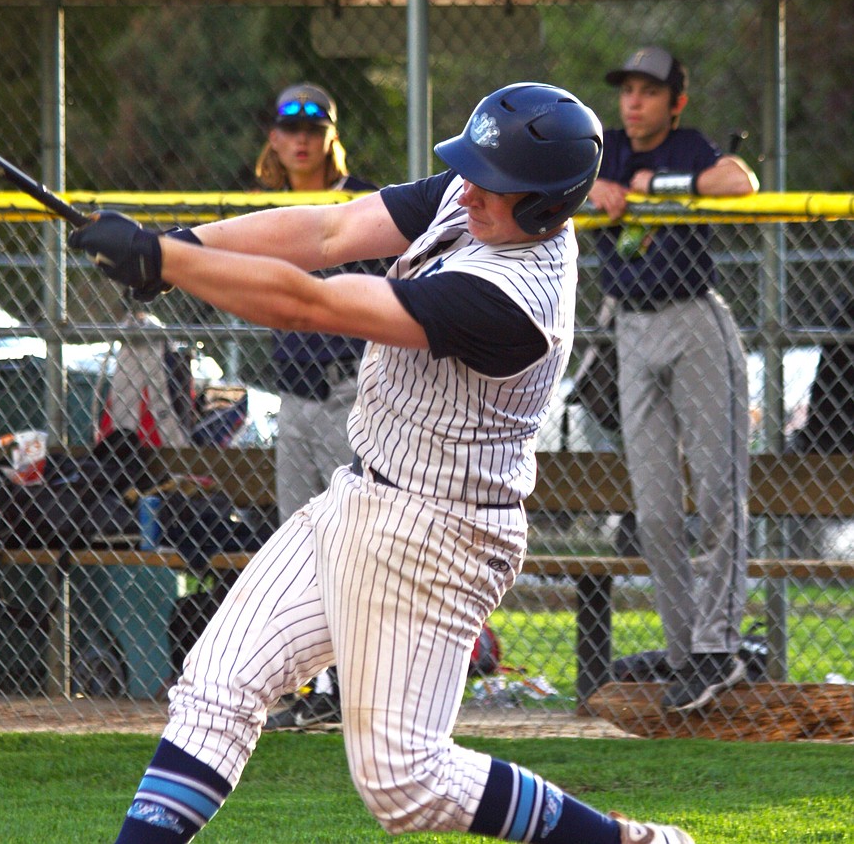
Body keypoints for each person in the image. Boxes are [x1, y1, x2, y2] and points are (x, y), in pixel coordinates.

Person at [73, 83, 694, 844]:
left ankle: (624, 843)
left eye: (492, 185)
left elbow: (315, 304)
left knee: (405, 780)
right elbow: (330, 229)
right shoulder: (474, 197)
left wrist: (168, 259)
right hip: (364, 493)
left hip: (441, 533)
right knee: (216, 685)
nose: (467, 188)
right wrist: (183, 249)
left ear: (545, 205)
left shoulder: (514, 299)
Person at [588, 46, 759, 714]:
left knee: (719, 490)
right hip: (631, 330)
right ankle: (687, 649)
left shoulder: (690, 144)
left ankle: (720, 646)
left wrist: (661, 188)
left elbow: (738, 180)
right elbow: (545, 185)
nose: (635, 102)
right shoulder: (600, 147)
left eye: (649, 91)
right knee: (654, 510)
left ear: (674, 102)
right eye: (628, 89)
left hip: (693, 322)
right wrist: (589, 188)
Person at [254, 83, 376, 730]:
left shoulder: (360, 201)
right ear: (274, 137)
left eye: (314, 124)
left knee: (346, 541)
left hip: (345, 391)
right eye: (289, 125)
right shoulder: (268, 207)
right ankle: (315, 687)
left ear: (330, 135)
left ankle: (352, 686)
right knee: (296, 541)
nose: (300, 136)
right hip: (293, 398)